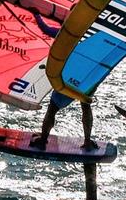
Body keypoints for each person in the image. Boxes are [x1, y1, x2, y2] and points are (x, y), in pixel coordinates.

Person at [28, 9, 96, 151]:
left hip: (69, 79)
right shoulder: (91, 34)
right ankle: (88, 141)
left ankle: (43, 140)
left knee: (52, 108)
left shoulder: (68, 34)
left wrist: (36, 15)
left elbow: (46, 29)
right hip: (87, 78)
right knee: (86, 106)